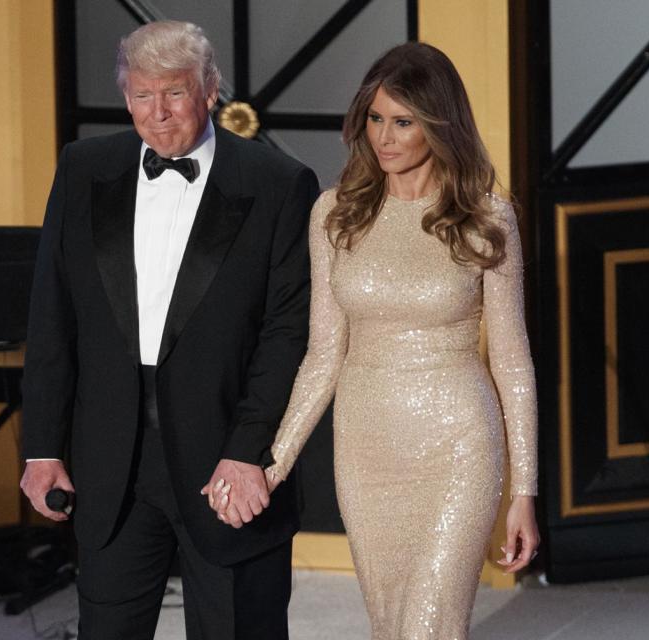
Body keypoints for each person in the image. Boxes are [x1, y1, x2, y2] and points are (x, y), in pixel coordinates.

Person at [209, 42, 540, 639]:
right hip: (365, 450)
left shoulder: (486, 216)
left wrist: (524, 491)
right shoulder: (336, 214)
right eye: (376, 118)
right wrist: (273, 465)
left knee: (428, 627)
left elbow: (513, 362)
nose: (385, 137)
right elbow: (322, 355)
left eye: (404, 122)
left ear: (439, 126)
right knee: (390, 627)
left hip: (459, 445)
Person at [19, 21, 318, 640]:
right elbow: (53, 315)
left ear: (210, 91)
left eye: (175, 94)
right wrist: (43, 446)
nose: (157, 114)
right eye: (141, 95)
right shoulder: (83, 168)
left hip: (227, 456)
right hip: (110, 462)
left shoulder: (277, 183)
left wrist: (249, 449)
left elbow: (288, 334)